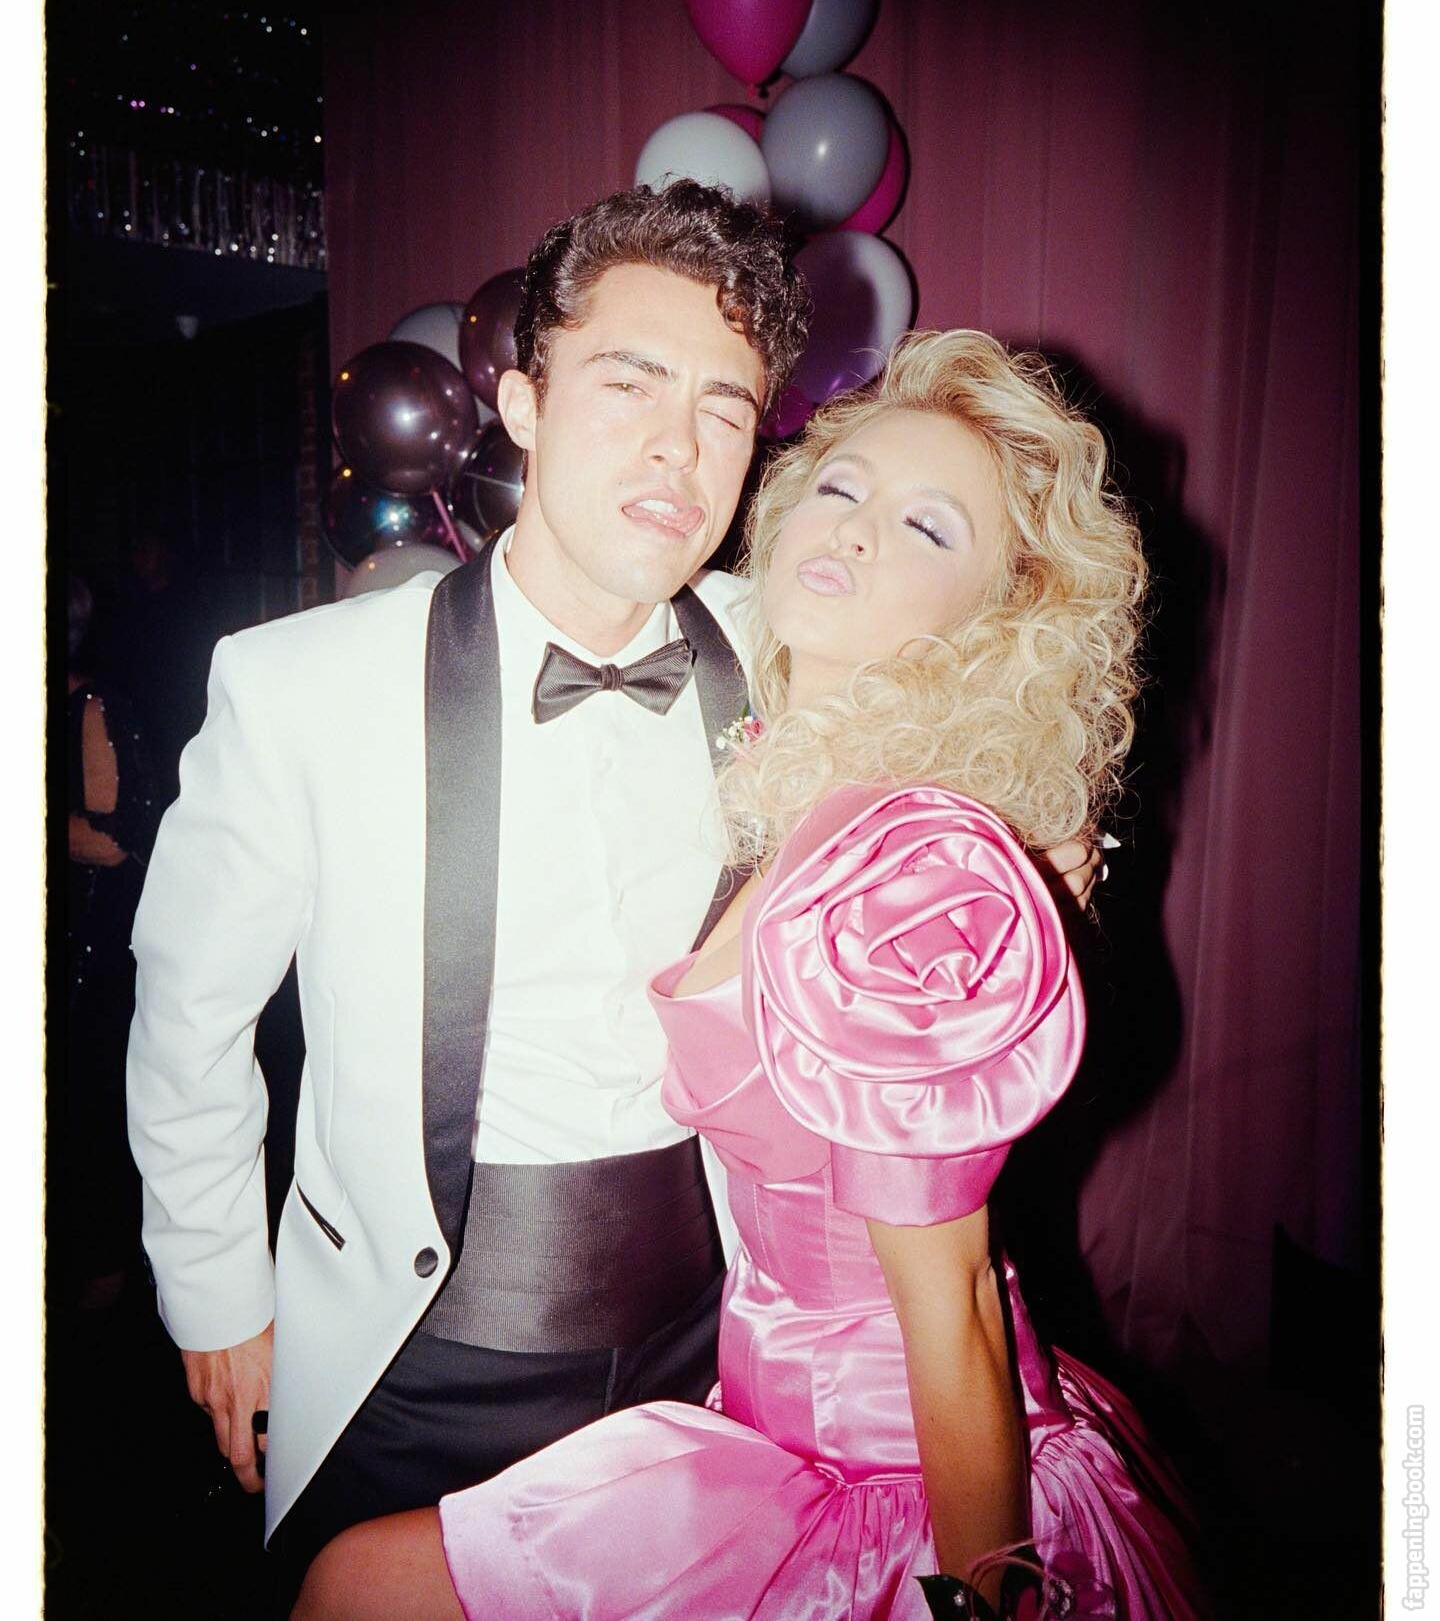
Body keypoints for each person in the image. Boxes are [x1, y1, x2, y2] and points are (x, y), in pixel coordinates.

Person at [126, 185, 1098, 1600]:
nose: (674, 446)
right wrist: (214, 1292)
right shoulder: (299, 685)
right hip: (411, 1339)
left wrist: (1049, 840)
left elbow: (973, 701)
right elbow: (189, 1017)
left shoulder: (792, 633)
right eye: (629, 382)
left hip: (704, 1355)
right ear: (521, 401)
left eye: (722, 408)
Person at [294, 330, 1206, 1620]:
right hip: (767, 1417)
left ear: (991, 618)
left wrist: (977, 1590)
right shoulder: (810, 783)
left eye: (926, 527)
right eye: (841, 485)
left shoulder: (908, 870)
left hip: (897, 1479)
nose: (858, 529)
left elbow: (953, 1306)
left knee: (351, 1587)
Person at [65, 573, 159, 1310]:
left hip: (91, 952)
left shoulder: (91, 706)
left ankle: (105, 1290)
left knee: (93, 1108)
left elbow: (116, 839)